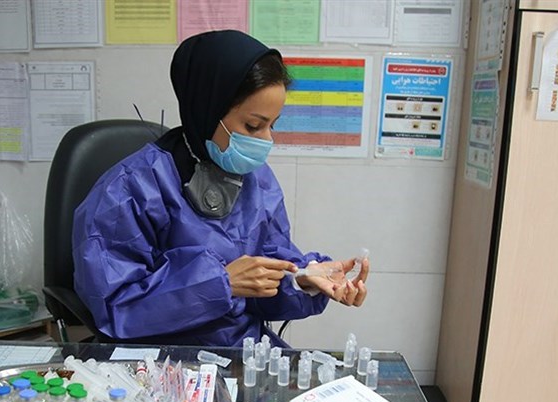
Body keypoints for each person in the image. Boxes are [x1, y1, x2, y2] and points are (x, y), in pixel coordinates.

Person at [72, 29, 369, 347]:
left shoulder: (257, 180)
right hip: (161, 358)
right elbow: (116, 309)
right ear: (208, 109)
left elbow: (266, 283)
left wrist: (303, 280)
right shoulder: (127, 191)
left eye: (272, 125)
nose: (266, 140)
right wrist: (221, 283)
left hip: (243, 350)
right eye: (253, 126)